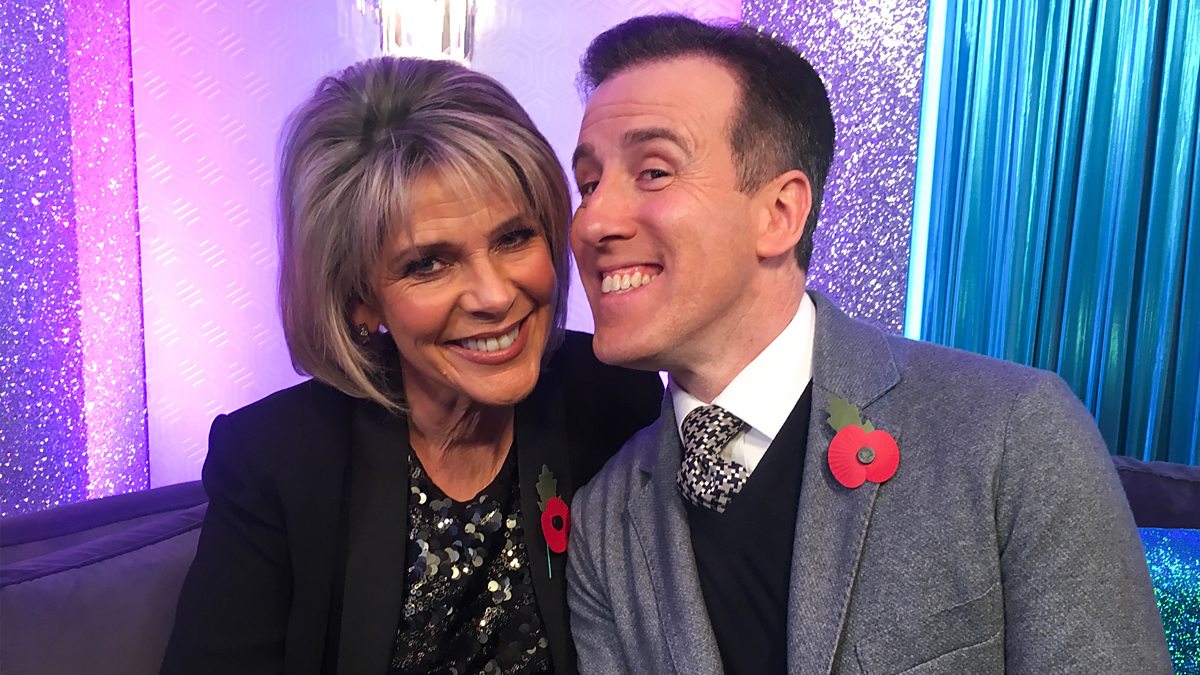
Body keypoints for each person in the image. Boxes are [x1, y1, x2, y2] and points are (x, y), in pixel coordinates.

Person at [565, 14, 1171, 674]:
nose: (593, 221)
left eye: (653, 172)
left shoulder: (1013, 431)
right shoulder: (605, 518)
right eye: (589, 184)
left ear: (780, 214)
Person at [160, 56, 662, 675]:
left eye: (513, 238)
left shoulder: (613, 394)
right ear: (359, 299)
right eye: (428, 264)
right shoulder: (275, 459)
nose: (494, 296)